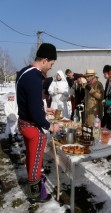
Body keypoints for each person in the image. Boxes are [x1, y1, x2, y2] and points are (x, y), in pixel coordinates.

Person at [16, 43, 62, 203]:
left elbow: (28, 102)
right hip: (32, 127)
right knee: (36, 161)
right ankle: (36, 194)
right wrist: (50, 126)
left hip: (23, 123)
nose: (50, 68)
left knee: (30, 156)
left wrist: (42, 110)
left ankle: (33, 182)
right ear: (45, 59)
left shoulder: (24, 71)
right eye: (51, 64)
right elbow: (34, 113)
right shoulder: (34, 78)